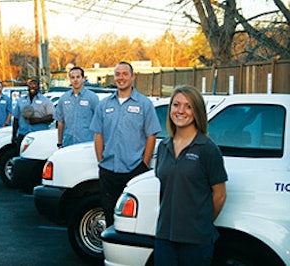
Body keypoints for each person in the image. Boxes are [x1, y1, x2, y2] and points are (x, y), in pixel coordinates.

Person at [153, 85, 227, 266]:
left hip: (196, 241)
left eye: (188, 106)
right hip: (164, 237)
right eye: (176, 105)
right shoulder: (163, 147)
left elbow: (220, 195)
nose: (181, 111)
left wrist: (199, 224)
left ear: (197, 111)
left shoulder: (208, 149)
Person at [89, 61, 161, 227]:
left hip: (134, 170)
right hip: (109, 170)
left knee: (132, 218)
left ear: (132, 77)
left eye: (125, 74)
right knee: (109, 214)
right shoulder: (104, 104)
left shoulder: (144, 104)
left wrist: (144, 164)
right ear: (114, 77)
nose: (121, 78)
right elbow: (98, 134)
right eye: (118, 74)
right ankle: (110, 251)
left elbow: (151, 135)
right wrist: (101, 161)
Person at [55, 67, 99, 148]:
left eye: (78, 77)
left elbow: (99, 122)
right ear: (70, 80)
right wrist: (60, 143)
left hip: (86, 145)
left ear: (83, 79)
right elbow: (60, 122)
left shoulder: (92, 97)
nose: (75, 80)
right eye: (72, 77)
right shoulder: (64, 98)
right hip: (68, 144)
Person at [12, 78, 54, 151]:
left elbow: (52, 116)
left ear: (38, 87)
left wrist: (38, 120)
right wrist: (14, 135)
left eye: (35, 85)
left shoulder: (46, 101)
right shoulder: (20, 101)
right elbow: (16, 118)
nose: (32, 87)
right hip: (23, 135)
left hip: (39, 136)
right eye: (30, 85)